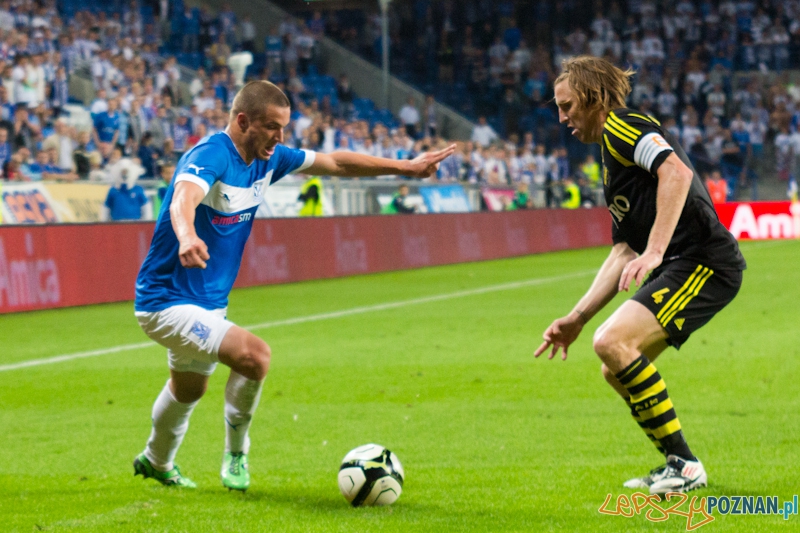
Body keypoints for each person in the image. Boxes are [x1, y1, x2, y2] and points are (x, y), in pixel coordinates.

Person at [132, 80, 454, 490]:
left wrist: (406, 166)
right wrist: (186, 235)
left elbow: (337, 164)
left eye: (283, 127)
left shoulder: (271, 157)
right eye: (271, 127)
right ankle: (236, 454)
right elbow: (183, 198)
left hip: (208, 301)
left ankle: (156, 461)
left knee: (188, 389)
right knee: (255, 357)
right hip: (165, 300)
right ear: (243, 120)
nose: (280, 137)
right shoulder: (210, 154)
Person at [535, 56, 746, 495]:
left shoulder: (622, 126)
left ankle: (685, 466)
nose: (562, 117)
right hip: (685, 261)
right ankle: (678, 463)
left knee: (613, 343)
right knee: (615, 367)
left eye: (567, 105)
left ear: (593, 97)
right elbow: (621, 252)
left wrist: (655, 251)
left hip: (703, 259)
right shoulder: (612, 160)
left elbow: (676, 171)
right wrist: (577, 317)